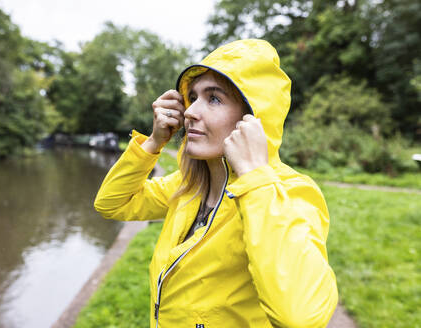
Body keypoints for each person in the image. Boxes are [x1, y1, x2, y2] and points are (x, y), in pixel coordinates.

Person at [94, 39, 338, 328]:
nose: (190, 112)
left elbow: (301, 317)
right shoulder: (189, 185)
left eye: (214, 99)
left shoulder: (291, 194)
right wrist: (154, 141)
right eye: (193, 97)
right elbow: (112, 203)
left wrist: (254, 180)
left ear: (253, 118)